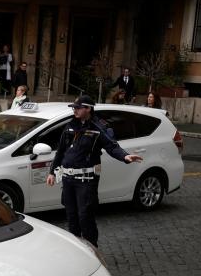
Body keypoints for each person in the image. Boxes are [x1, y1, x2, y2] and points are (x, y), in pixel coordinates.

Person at [45, 95, 143, 247]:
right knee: (71, 217)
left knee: (85, 217)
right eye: (73, 108)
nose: (74, 110)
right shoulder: (70, 125)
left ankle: (92, 249)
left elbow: (112, 146)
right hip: (68, 180)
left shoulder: (98, 127)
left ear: (88, 108)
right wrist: (52, 172)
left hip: (86, 181)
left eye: (77, 108)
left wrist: (125, 156)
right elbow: (61, 151)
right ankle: (76, 250)